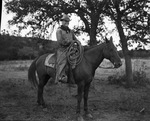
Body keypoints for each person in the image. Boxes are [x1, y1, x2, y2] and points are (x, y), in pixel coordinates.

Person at [55, 14, 80, 84]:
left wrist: (78, 43)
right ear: (62, 22)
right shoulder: (59, 31)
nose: (66, 22)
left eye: (67, 21)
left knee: (79, 57)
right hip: (63, 49)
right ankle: (60, 78)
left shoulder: (70, 31)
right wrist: (70, 42)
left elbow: (75, 39)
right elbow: (60, 41)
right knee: (62, 62)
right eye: (64, 21)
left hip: (71, 49)